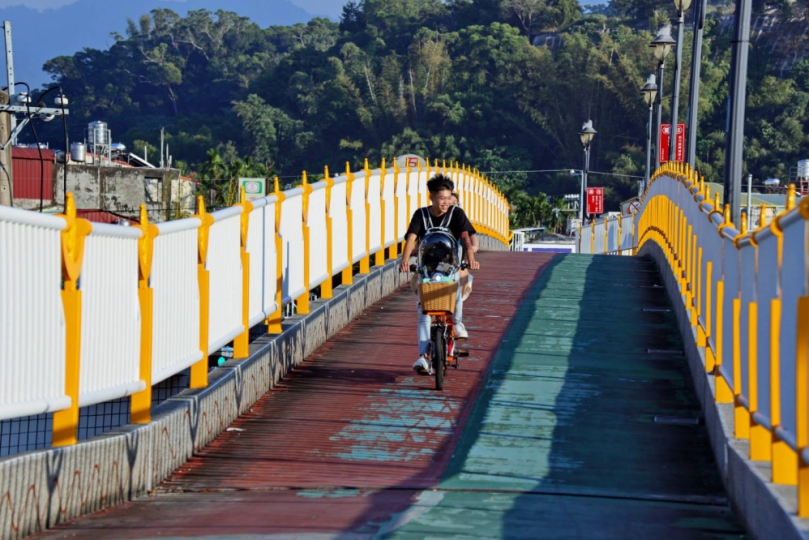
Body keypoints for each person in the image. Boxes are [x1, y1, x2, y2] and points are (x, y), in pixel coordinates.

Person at [400, 174, 479, 375]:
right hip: (427, 269)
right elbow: (412, 237)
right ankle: (423, 357)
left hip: (449, 266)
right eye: (442, 198)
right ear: (432, 197)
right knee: (423, 312)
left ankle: (457, 323)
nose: (446, 202)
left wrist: (470, 258)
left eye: (448, 197)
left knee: (456, 292)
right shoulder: (421, 215)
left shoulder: (456, 213)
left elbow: (465, 238)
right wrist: (405, 259)